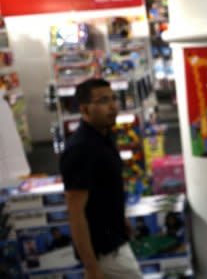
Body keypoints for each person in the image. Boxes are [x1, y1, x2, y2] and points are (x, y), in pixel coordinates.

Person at [59, 79, 142, 279]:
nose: (113, 106)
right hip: (105, 252)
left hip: (115, 240)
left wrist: (119, 219)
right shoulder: (80, 149)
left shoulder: (105, 137)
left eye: (113, 98)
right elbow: (75, 212)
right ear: (85, 109)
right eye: (103, 100)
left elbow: (104, 189)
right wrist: (91, 266)